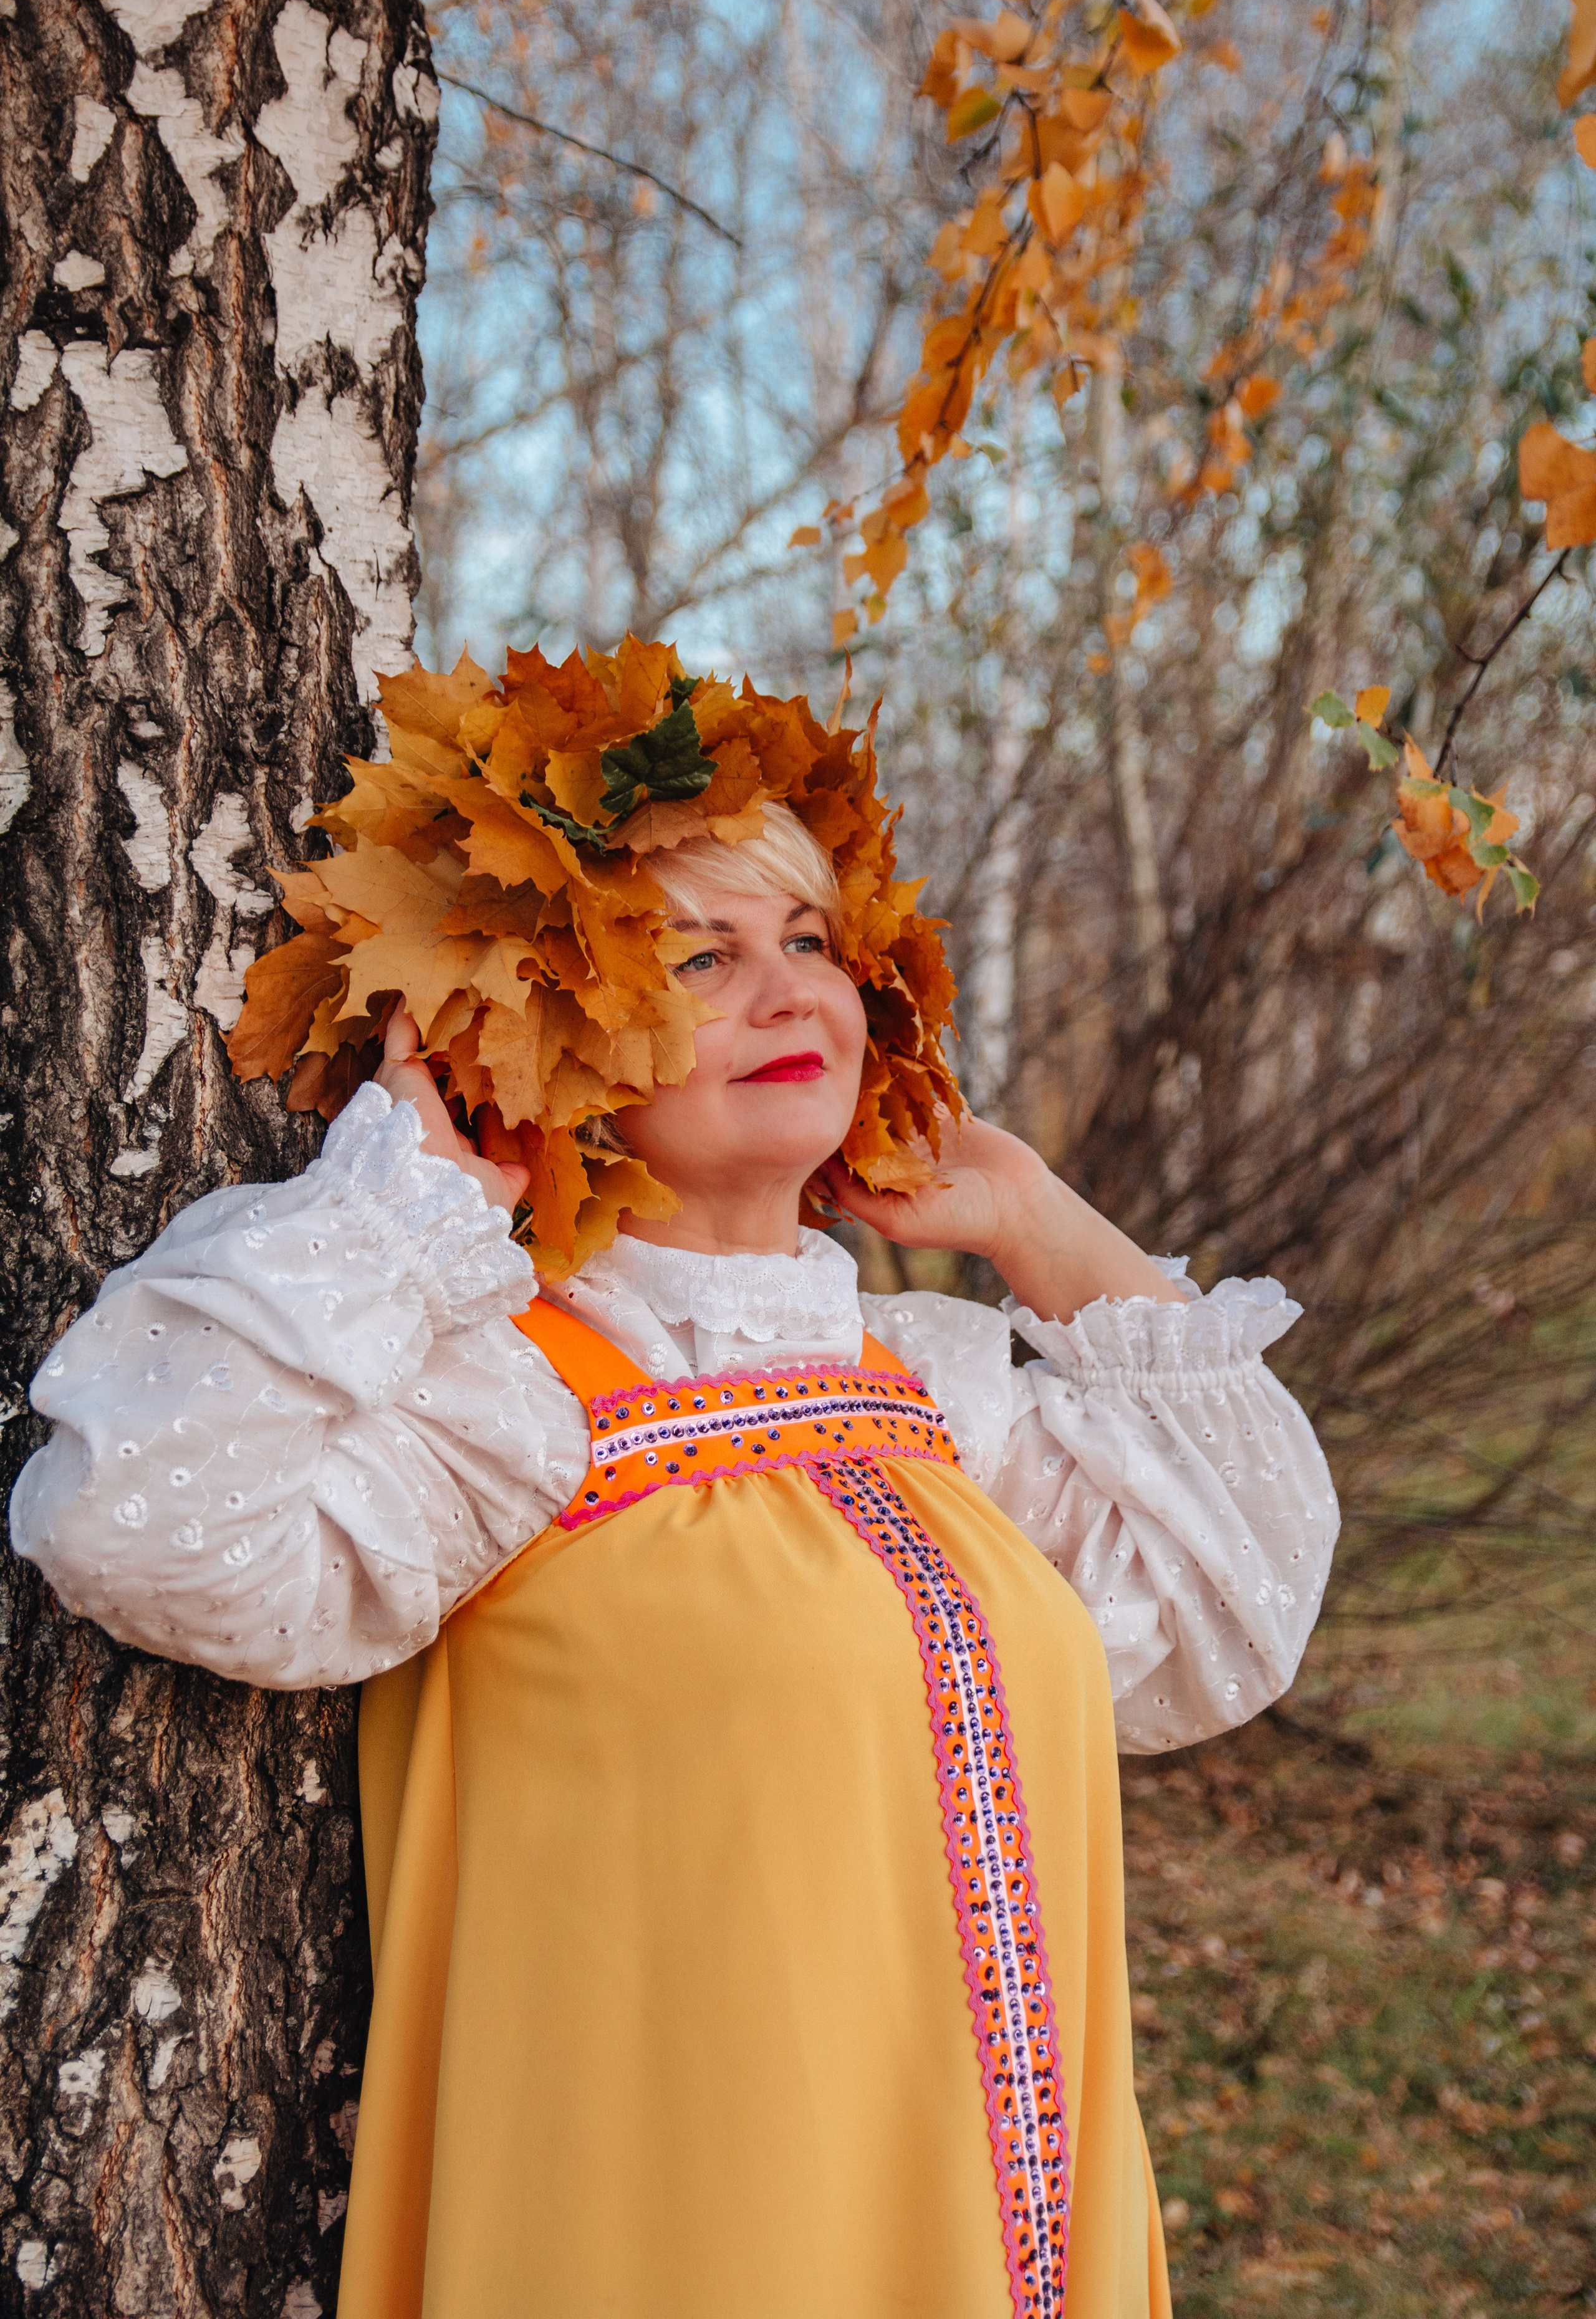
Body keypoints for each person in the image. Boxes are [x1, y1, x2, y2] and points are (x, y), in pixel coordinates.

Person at [11, 648, 1339, 2319]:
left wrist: (1033, 1220)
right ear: (549, 1027)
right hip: (678, 2238)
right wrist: (404, 1207)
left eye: (812, 943)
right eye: (702, 957)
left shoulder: (933, 1394)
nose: (791, 996)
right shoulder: (510, 1394)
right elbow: (137, 1522)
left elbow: (1236, 1612)